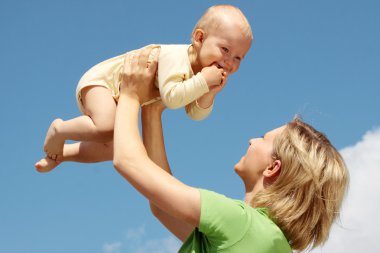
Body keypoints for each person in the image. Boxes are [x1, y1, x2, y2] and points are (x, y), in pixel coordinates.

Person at [112, 46, 349, 252]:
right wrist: (153, 109)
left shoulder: (241, 223)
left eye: (263, 138)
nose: (251, 141)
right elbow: (163, 207)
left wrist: (131, 94)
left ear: (273, 167)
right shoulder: (268, 241)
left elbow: (128, 162)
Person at [35, 4, 253, 173]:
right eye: (225, 49)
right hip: (102, 82)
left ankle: (60, 154)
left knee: (113, 147)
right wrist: (203, 82)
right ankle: (59, 129)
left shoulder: (198, 75)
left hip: (121, 97)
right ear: (199, 38)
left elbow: (195, 114)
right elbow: (171, 98)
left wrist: (209, 92)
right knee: (107, 126)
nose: (229, 62)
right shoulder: (176, 57)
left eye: (238, 58)